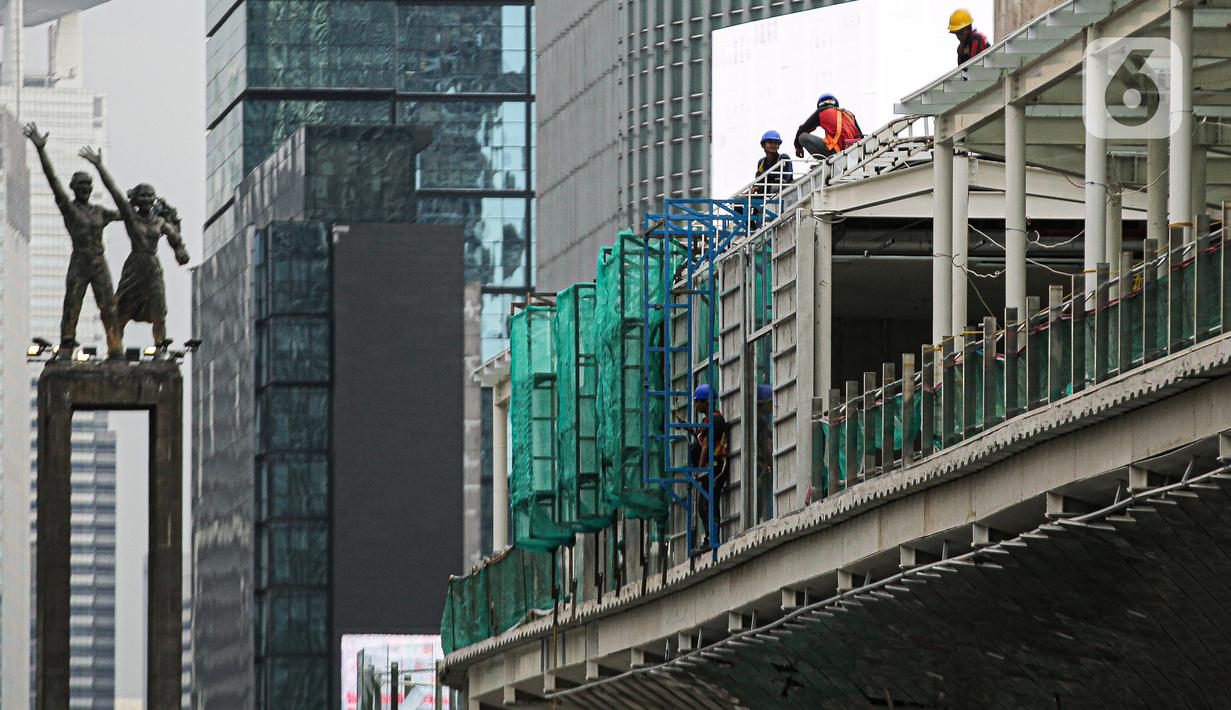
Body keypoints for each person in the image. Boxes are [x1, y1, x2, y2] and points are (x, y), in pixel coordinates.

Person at [23, 122, 124, 358]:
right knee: (72, 305)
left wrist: (100, 168)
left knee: (108, 305)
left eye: (88, 184)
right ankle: (67, 345)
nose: (85, 188)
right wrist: (40, 149)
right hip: (79, 259)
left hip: (99, 262)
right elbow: (52, 180)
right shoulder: (69, 208)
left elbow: (126, 213)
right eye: (81, 185)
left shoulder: (100, 212)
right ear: (73, 188)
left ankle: (115, 346)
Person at [79, 147, 190, 350]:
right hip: (134, 266)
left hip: (152, 266)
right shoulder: (131, 217)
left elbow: (175, 239)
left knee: (159, 310)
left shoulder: (159, 222)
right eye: (144, 196)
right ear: (137, 200)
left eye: (151, 196)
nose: (147, 199)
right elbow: (114, 192)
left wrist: (180, 251)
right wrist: (99, 165)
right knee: (120, 310)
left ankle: (160, 348)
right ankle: (115, 349)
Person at [689, 384, 730, 552]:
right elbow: (701, 441)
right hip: (709, 468)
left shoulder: (715, 419)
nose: (696, 405)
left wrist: (698, 470)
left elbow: (706, 446)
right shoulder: (706, 421)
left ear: (706, 402)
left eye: (698, 402)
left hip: (716, 467)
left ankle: (712, 538)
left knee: (710, 503)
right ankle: (708, 537)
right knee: (703, 506)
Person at [794, 94, 864, 159]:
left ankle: (824, 160)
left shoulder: (821, 112)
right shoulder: (849, 114)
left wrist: (798, 147)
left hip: (835, 151)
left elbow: (802, 129)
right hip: (854, 151)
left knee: (802, 137)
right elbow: (860, 136)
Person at [755, 383, 774, 523]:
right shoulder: (760, 422)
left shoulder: (757, 421)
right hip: (759, 468)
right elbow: (766, 446)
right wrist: (772, 465)